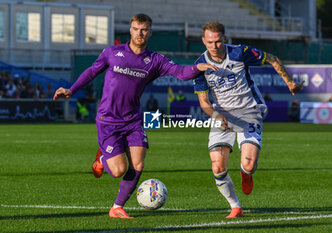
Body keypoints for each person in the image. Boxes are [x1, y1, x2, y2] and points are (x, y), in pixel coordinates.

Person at [53, 13, 218, 219]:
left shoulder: (155, 60)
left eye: (144, 29)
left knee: (138, 165)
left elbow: (180, 72)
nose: (139, 33)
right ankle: (103, 158)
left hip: (132, 121)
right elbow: (92, 71)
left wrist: (197, 67)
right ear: (130, 30)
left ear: (150, 32)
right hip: (108, 120)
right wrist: (71, 89)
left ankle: (117, 207)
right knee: (118, 170)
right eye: (135, 29)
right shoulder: (112, 52)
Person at [193, 22, 304, 219]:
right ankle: (235, 207)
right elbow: (204, 101)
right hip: (222, 115)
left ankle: (246, 173)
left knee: (249, 165)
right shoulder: (200, 65)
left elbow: (272, 58)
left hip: (249, 110)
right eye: (210, 42)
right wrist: (216, 116)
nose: (214, 46)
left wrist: (290, 83)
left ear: (224, 39)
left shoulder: (239, 52)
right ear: (203, 41)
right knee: (218, 166)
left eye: (218, 41)